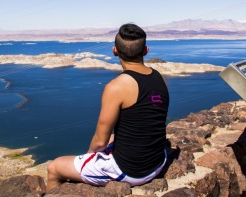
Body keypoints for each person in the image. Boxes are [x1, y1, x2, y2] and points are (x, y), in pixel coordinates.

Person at [46, 23, 170, 191]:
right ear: (146, 50)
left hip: (132, 171)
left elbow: (99, 141)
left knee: (54, 167)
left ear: (114, 51)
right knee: (113, 138)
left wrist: (89, 157)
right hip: (157, 162)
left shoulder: (116, 87)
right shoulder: (159, 77)